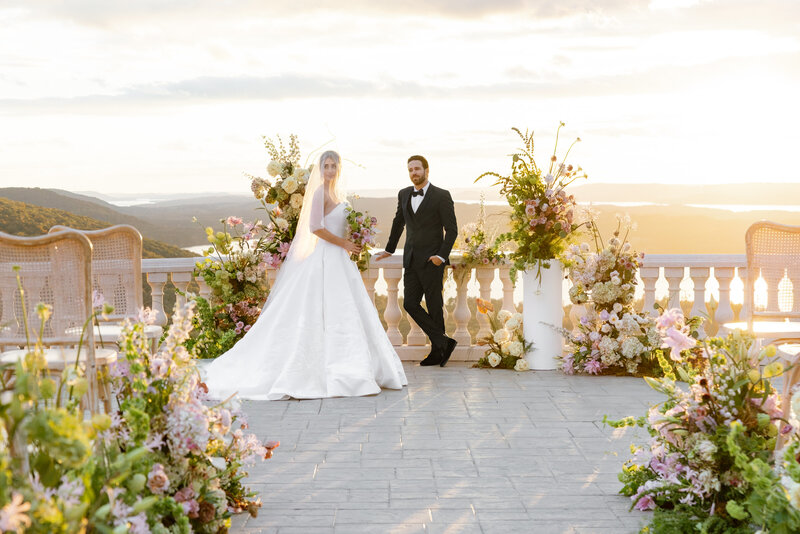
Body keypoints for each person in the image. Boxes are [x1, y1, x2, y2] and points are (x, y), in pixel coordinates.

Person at [204, 150, 407, 400]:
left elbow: (339, 225)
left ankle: (356, 367)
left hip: (341, 260)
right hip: (326, 257)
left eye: (333, 166)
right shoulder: (320, 192)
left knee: (346, 311)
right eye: (326, 166)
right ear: (320, 169)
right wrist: (344, 243)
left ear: (339, 168)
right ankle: (328, 370)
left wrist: (356, 237)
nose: (330, 170)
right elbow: (315, 227)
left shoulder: (338, 195)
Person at [374, 155, 458, 367]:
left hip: (432, 260)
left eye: (417, 169)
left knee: (435, 306)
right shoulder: (404, 194)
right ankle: (444, 342)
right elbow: (398, 223)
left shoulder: (442, 195)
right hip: (411, 259)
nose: (414, 173)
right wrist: (389, 249)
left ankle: (438, 352)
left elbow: (452, 230)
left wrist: (441, 256)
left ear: (426, 170)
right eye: (410, 170)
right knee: (410, 303)